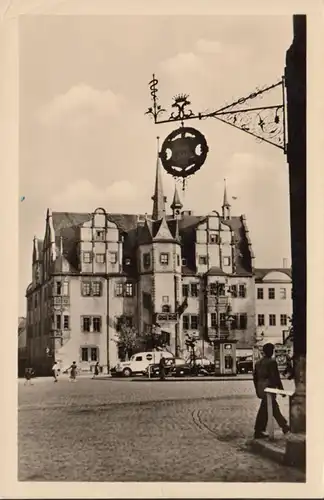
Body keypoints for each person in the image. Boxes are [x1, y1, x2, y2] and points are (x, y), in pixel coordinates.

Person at [253, 343, 290, 439]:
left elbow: (255, 378)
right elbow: (276, 377)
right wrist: (281, 390)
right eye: (272, 350)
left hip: (261, 388)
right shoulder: (272, 362)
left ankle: (284, 426)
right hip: (269, 387)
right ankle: (258, 430)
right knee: (269, 408)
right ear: (270, 351)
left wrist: (257, 389)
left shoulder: (258, 363)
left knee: (271, 407)